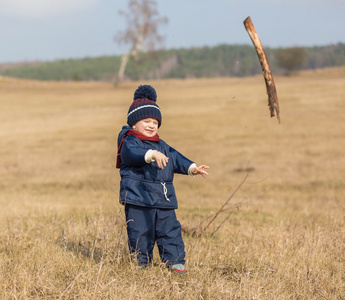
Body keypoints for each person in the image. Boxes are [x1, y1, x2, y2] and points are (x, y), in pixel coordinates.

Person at [116, 85, 209, 273]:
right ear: (134, 124)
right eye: (146, 121)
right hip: (138, 198)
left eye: (155, 122)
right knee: (140, 232)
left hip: (163, 198)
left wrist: (192, 168)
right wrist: (151, 154)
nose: (151, 125)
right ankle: (140, 263)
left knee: (170, 230)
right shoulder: (129, 141)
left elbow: (175, 157)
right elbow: (133, 154)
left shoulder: (162, 145)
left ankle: (175, 262)